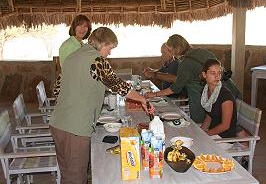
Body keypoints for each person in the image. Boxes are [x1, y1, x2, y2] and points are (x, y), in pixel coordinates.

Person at [49, 27, 154, 184]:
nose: (109, 53)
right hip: (75, 129)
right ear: (101, 43)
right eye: (109, 48)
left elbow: (56, 90)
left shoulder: (72, 57)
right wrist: (143, 100)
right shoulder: (97, 60)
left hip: (57, 124)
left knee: (67, 174)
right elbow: (117, 85)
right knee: (76, 178)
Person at [145, 34, 241, 123]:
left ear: (177, 49)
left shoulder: (185, 64)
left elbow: (175, 88)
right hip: (229, 89)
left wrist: (154, 94)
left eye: (170, 50)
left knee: (202, 124)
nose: (171, 54)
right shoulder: (202, 51)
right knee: (232, 122)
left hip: (214, 97)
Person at [200, 59, 237, 138]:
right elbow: (209, 116)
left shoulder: (226, 97)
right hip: (213, 133)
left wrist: (205, 135)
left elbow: (225, 126)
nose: (217, 76)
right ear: (204, 74)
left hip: (225, 137)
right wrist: (200, 132)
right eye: (213, 73)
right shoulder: (205, 91)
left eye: (219, 73)